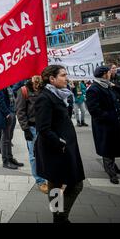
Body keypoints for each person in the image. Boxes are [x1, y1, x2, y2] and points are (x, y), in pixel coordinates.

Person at [35, 65, 85, 223]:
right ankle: (60, 216)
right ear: (52, 79)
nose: (66, 78)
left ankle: (59, 216)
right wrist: (60, 143)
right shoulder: (45, 97)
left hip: (64, 148)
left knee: (61, 185)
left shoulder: (60, 95)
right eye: (63, 75)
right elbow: (43, 128)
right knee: (71, 185)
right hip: (55, 150)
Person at [86, 66, 120, 184]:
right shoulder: (94, 89)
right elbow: (94, 110)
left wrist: (113, 85)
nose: (111, 73)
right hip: (105, 125)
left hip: (114, 123)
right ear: (104, 74)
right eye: (109, 72)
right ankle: (111, 173)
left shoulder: (107, 85)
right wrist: (109, 117)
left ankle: (113, 167)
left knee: (113, 146)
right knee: (107, 148)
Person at [15, 76, 48, 194]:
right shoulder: (24, 90)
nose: (37, 77)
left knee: (46, 153)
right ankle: (40, 181)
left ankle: (48, 175)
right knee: (34, 155)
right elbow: (20, 111)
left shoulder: (46, 89)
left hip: (46, 127)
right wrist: (26, 129)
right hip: (32, 128)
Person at [0, 87, 23, 169]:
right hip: (6, 114)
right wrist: (7, 113)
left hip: (11, 112)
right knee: (5, 139)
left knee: (8, 138)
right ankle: (5, 161)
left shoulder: (7, 84)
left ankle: (10, 158)